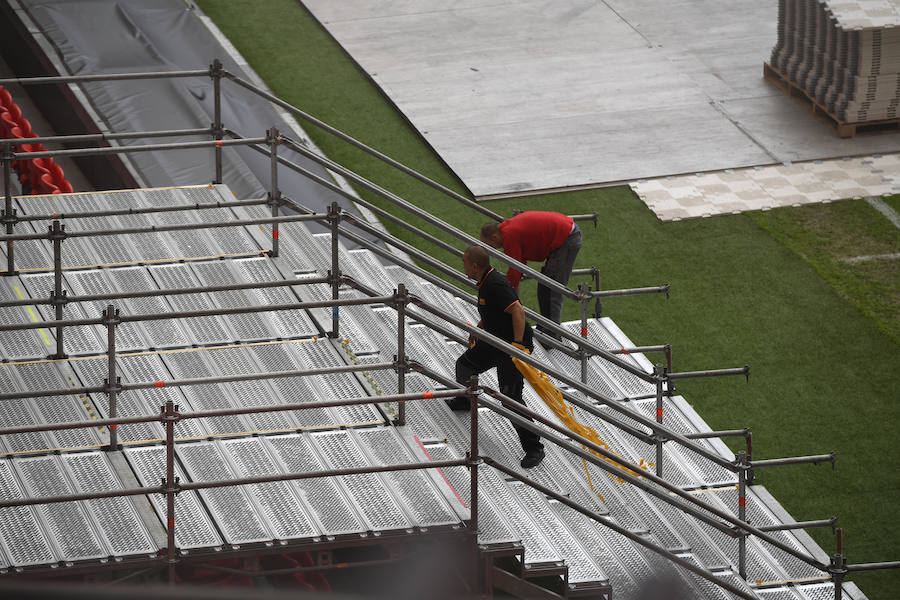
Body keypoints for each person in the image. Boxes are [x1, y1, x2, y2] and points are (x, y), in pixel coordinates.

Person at [448, 245, 545, 468]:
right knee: (464, 365)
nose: (463, 266)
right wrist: (479, 328)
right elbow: (494, 311)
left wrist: (517, 347)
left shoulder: (494, 283)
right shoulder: (485, 282)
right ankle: (464, 400)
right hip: (494, 341)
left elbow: (518, 311)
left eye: (464, 262)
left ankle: (534, 448)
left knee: (510, 399)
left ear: (474, 266)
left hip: (511, 347)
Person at [481, 211, 582, 338]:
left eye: (490, 245)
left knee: (551, 289)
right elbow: (519, 262)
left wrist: (509, 298)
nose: (492, 249)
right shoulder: (508, 229)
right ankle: (544, 326)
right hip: (565, 235)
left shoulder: (509, 235)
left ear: (495, 237)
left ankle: (553, 335)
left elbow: (515, 268)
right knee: (544, 285)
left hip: (567, 239)